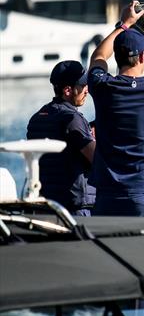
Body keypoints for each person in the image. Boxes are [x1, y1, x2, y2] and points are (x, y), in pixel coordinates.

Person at [87, 0, 144, 216]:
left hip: (107, 198)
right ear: (140, 56)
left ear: (118, 57)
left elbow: (99, 57)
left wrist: (124, 24)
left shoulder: (102, 86)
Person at [26, 61, 96, 216]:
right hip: (74, 209)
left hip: (46, 206)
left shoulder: (36, 118)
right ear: (68, 90)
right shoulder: (72, 118)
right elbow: (97, 159)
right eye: (83, 86)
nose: (87, 90)